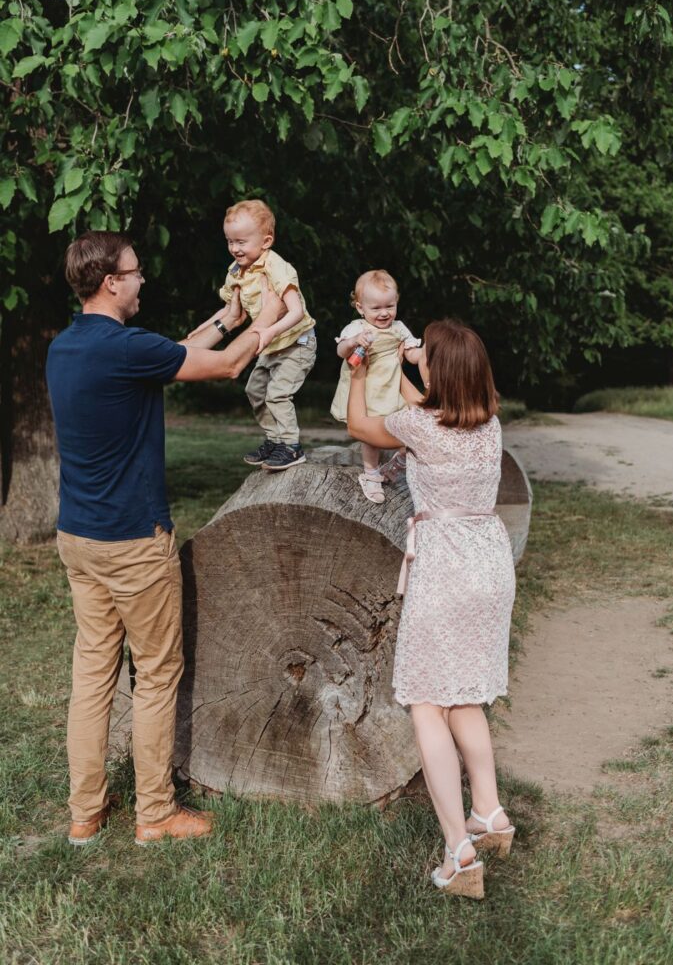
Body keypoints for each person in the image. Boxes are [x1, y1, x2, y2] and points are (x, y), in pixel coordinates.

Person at [46, 229, 285, 848]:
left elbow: (174, 354)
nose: (143, 277)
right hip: (132, 542)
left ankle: (85, 812)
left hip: (78, 537)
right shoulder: (125, 349)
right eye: (136, 270)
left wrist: (225, 317)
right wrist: (272, 317)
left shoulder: (68, 346)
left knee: (92, 673)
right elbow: (228, 366)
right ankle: (155, 813)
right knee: (155, 674)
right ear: (111, 282)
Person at [346, 319, 516, 900]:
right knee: (464, 692)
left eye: (425, 352)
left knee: (426, 704)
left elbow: (358, 422)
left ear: (440, 371)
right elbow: (431, 401)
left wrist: (363, 369)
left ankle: (457, 851)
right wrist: (413, 367)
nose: (415, 353)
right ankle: (489, 812)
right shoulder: (488, 424)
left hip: (445, 569)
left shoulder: (421, 428)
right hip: (490, 565)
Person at [188, 199, 316, 471]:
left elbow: (295, 311)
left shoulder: (275, 266)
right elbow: (229, 309)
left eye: (241, 242)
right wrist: (203, 327)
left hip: (297, 342)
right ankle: (275, 439)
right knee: (255, 390)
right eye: (230, 241)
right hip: (271, 344)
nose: (234, 248)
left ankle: (292, 446)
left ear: (266, 240)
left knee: (278, 394)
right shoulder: (237, 271)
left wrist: (269, 330)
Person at [330, 270, 421, 503]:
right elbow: (341, 352)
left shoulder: (399, 328)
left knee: (411, 426)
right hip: (366, 391)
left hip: (390, 388)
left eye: (389, 306)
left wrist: (424, 354)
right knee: (370, 435)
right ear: (361, 308)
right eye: (376, 308)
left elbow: (410, 354)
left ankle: (399, 460)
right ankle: (370, 473)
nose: (384, 313)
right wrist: (352, 342)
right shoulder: (357, 328)